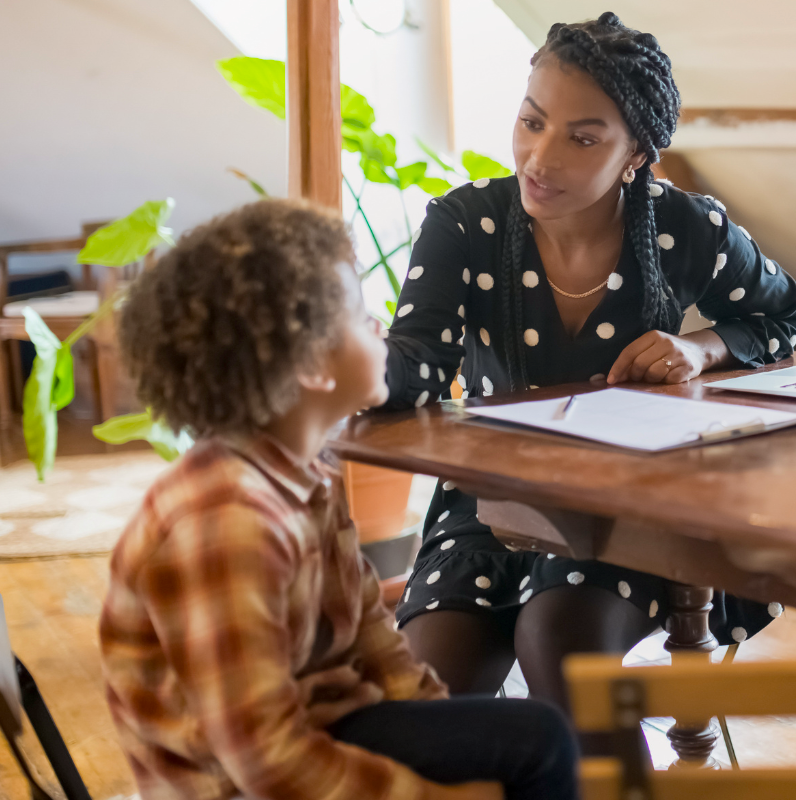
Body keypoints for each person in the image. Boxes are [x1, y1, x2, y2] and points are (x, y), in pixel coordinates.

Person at [381, 12, 796, 710]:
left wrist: (700, 350)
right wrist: (348, 363)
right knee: (429, 691)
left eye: (582, 138)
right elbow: (420, 363)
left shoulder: (686, 229)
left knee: (558, 644)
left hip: (630, 509)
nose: (539, 158)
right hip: (491, 503)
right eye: (531, 122)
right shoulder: (465, 224)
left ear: (636, 154)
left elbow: (787, 313)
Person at [99, 200, 578, 800]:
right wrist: (436, 796)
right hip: (235, 781)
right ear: (310, 367)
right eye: (359, 314)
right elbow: (270, 763)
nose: (381, 325)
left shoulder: (302, 471)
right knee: (538, 752)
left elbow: (366, 634)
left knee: (538, 738)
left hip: (324, 721)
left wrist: (437, 720)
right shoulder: (226, 524)